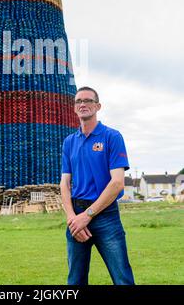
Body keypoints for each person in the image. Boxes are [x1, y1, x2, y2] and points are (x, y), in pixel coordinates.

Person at [60, 86, 135, 285]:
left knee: (123, 279)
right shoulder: (69, 142)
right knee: (74, 281)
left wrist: (88, 215)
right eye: (79, 101)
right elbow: (65, 184)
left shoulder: (112, 137)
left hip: (105, 216)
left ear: (98, 106)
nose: (83, 104)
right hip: (76, 215)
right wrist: (72, 219)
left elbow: (118, 183)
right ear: (74, 108)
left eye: (88, 101)